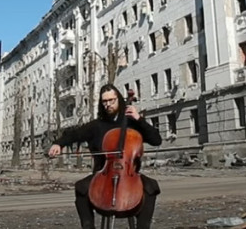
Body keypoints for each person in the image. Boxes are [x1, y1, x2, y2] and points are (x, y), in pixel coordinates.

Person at [48, 84, 162, 229]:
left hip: (130, 176)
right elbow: (75, 134)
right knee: (81, 188)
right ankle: (88, 226)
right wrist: (58, 144)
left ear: (119, 100)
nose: (108, 104)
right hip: (102, 175)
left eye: (112, 100)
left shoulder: (132, 123)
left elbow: (156, 140)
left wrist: (139, 119)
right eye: (105, 101)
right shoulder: (96, 126)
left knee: (150, 187)